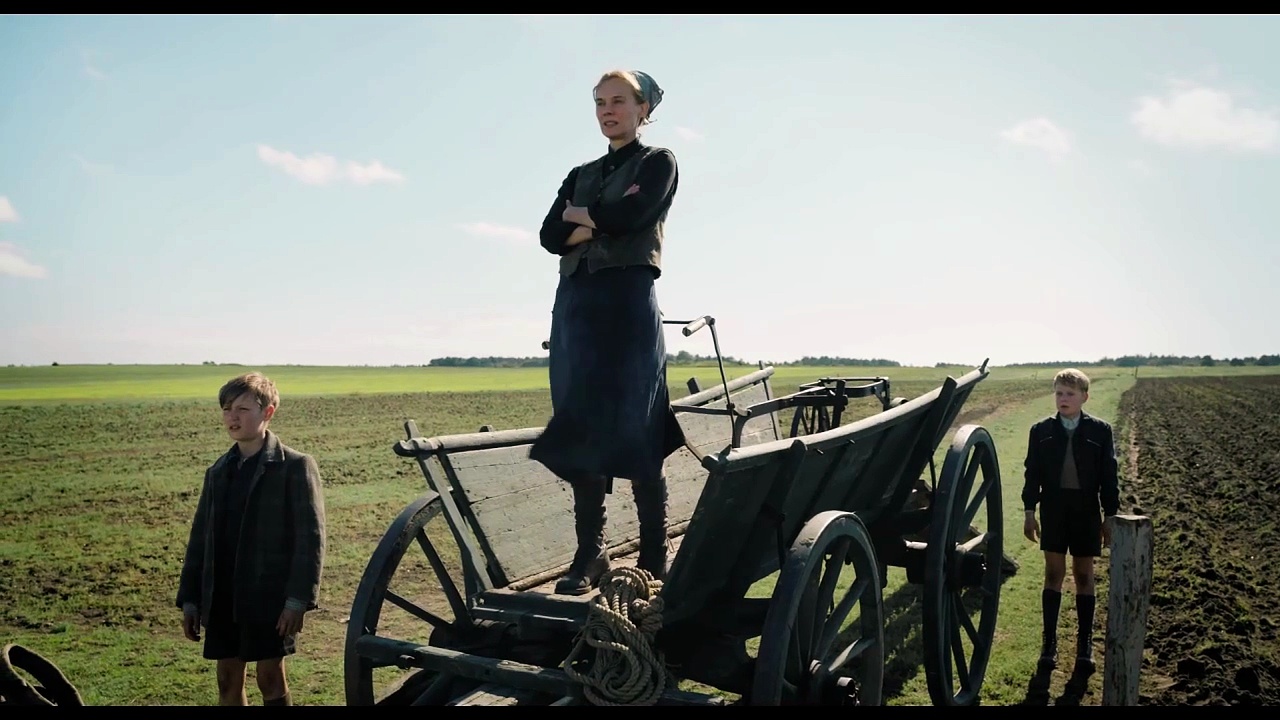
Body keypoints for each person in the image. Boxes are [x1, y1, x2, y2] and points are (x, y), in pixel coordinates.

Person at [529, 69, 688, 596]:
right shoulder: (581, 173)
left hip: (626, 303)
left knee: (638, 420)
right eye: (600, 103)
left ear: (643, 109)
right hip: (575, 308)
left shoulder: (658, 163)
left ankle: (653, 550)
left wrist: (583, 217)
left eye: (618, 101)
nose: (607, 111)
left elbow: (632, 216)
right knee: (578, 423)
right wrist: (596, 217)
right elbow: (550, 236)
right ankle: (591, 551)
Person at [175, 372, 327, 705]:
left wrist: (297, 601)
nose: (233, 417)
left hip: (269, 598)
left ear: (268, 412)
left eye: (243, 409)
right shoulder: (218, 472)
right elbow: (200, 539)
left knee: (270, 677)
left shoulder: (295, 466)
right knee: (227, 679)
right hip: (223, 596)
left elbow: (310, 540)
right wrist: (190, 599)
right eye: (227, 409)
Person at [1021, 368, 1120, 676]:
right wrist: (1029, 512)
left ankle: (1084, 646)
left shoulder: (1100, 431)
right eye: (1059, 393)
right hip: (1053, 510)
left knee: (1084, 575)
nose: (1063, 399)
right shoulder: (1040, 431)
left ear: (1084, 397)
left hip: (1086, 511)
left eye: (1070, 394)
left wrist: (1110, 516)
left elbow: (1109, 477)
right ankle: (1048, 644)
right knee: (1053, 574)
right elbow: (1032, 474)